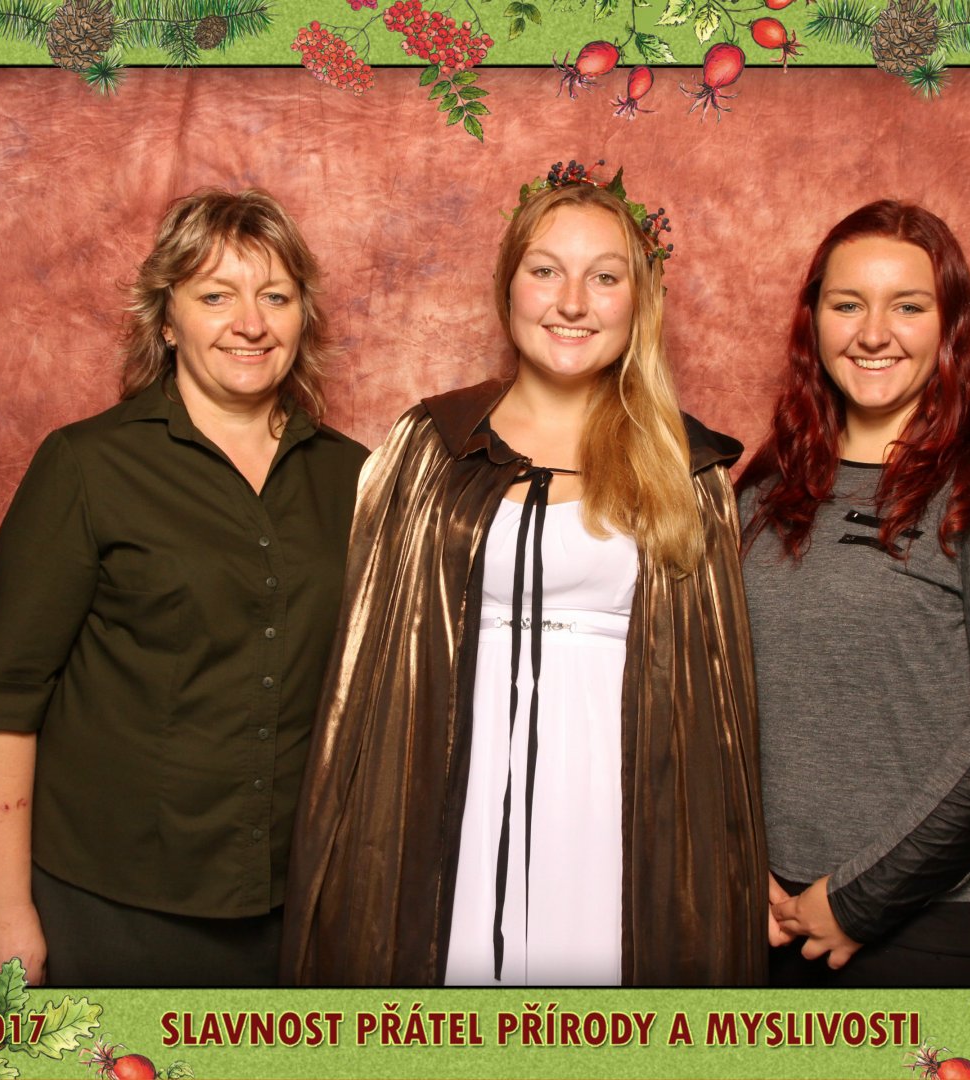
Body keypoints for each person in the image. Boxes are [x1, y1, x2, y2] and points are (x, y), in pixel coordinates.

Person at [281, 161, 767, 987]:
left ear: (639, 300)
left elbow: (714, 709)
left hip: (619, 800)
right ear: (508, 286)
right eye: (545, 271)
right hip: (449, 792)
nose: (572, 302)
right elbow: (370, 674)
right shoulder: (431, 446)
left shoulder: (687, 470)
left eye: (604, 277)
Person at [0, 188, 367, 986]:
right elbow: (4, 701)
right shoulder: (86, 466)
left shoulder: (355, 477)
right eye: (215, 296)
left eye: (275, 296)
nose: (250, 323)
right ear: (168, 318)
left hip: (296, 904)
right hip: (112, 903)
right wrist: (4, 909)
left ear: (301, 316)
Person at [739, 200, 970, 988]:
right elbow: (710, 692)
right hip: (769, 919)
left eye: (907, 306)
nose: (874, 333)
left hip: (939, 923)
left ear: (950, 325)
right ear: (813, 321)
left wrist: (863, 897)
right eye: (847, 305)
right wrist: (729, 855)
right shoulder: (765, 489)